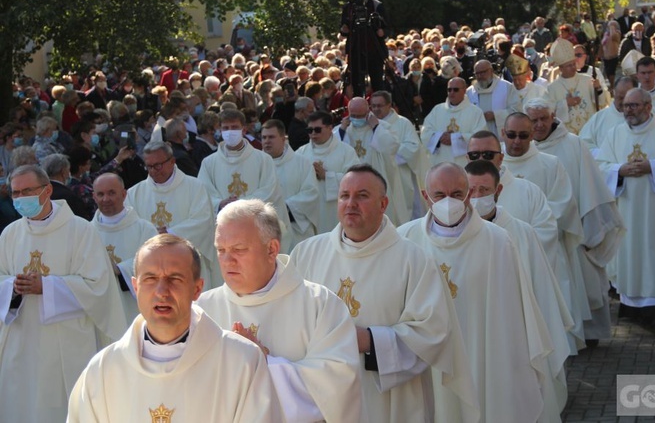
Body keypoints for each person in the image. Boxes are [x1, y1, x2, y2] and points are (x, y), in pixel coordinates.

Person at [290, 165, 478, 423]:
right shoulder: (306, 253)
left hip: (391, 401)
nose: (351, 203)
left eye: (362, 195)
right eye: (345, 195)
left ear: (383, 203)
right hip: (322, 394)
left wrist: (366, 340)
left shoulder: (414, 260)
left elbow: (432, 333)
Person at [398, 162, 561, 422]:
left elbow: (513, 316)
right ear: (425, 195)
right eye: (439, 195)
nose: (448, 202)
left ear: (469, 194)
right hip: (427, 360)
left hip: (484, 355)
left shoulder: (497, 241)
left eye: (457, 194)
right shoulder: (404, 240)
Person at [67, 234, 282, 422]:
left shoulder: (242, 361)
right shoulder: (104, 370)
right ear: (135, 287)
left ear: (197, 289)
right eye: (150, 279)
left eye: (175, 279)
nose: (162, 291)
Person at [197, 199, 362, 421]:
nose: (227, 260)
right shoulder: (202, 311)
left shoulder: (320, 305)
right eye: (221, 250)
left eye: (238, 249)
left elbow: (337, 386)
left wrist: (264, 361)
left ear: (272, 249)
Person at [0, 165, 126, 422]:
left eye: (27, 191)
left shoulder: (80, 230)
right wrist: (12, 286)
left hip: (65, 340)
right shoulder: (10, 234)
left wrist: (47, 287)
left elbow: (98, 285)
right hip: (21, 338)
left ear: (47, 190)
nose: (21, 198)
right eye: (15, 193)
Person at [464, 159, 573, 411]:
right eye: (472, 191)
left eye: (484, 190)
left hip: (516, 334)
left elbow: (541, 290)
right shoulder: (454, 235)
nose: (477, 197)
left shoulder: (521, 233)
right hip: (472, 333)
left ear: (498, 191)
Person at [525, 98, 625, 346]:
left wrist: (589, 228)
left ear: (553, 116)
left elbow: (591, 187)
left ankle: (587, 335)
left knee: (583, 284)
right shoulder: (520, 149)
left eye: (543, 119)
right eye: (533, 120)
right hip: (533, 234)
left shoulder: (573, 145)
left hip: (573, 230)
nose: (538, 125)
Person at [597, 88, 655, 324]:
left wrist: (654, 167)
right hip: (627, 208)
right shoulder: (615, 134)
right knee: (631, 253)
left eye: (634, 105)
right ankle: (633, 308)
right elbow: (600, 165)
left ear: (648, 106)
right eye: (626, 106)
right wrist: (619, 170)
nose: (629, 110)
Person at [502, 112, 588, 350]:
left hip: (545, 245)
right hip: (501, 249)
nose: (516, 141)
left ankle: (558, 345)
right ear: (503, 134)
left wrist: (527, 233)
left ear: (532, 136)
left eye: (523, 136)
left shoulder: (550, 164)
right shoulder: (493, 165)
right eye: (511, 135)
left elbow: (562, 204)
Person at [126, 141, 219, 288]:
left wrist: (169, 233)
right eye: (149, 166)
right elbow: (130, 228)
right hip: (154, 267)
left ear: (172, 161)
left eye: (158, 165)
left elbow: (203, 221)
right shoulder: (134, 194)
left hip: (188, 263)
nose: (154, 171)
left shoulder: (195, 187)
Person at [197, 109, 291, 250]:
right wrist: (220, 203)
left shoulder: (263, 159)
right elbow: (203, 194)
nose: (230, 131)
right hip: (224, 228)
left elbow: (270, 190)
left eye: (234, 127)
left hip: (256, 229)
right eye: (225, 128)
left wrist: (241, 205)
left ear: (244, 129)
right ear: (220, 130)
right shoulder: (209, 163)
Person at [91, 173, 158, 322]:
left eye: (111, 193)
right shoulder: (86, 232)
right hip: (101, 312)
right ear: (93, 197)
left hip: (135, 310)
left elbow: (155, 264)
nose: (105, 199)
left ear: (123, 194)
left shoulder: (144, 229)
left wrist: (120, 269)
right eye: (100, 194)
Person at [336, 97, 410, 225]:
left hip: (378, 176)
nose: (357, 119)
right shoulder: (343, 128)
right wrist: (341, 130)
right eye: (353, 115)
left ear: (368, 111)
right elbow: (334, 149)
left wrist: (376, 127)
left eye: (360, 115)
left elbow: (392, 147)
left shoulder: (382, 126)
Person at [296, 111, 359, 233]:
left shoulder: (346, 151)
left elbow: (355, 180)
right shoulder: (301, 153)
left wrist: (327, 176)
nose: (313, 134)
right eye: (310, 130)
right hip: (310, 209)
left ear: (330, 128)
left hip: (334, 209)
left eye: (317, 130)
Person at [369, 90, 428, 219]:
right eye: (373, 106)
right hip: (378, 171)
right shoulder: (368, 124)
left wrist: (390, 151)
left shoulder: (402, 123)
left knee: (402, 210)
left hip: (400, 174)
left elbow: (413, 148)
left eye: (380, 105)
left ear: (389, 105)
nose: (376, 109)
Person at [261, 119, 320, 249]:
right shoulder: (256, 165)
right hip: (265, 231)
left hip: (296, 230)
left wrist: (284, 208)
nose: (266, 141)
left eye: (271, 137)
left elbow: (311, 192)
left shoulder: (302, 163)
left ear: (283, 138)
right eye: (264, 137)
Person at [340, 0, 387, 96]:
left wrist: (380, 30)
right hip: (356, 51)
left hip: (374, 51)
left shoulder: (376, 5)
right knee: (357, 84)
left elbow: (385, 29)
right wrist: (345, 28)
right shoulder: (348, 6)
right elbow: (344, 29)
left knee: (378, 83)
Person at [421, 76, 487, 167]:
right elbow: (425, 133)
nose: (452, 93)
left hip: (464, 164)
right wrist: (439, 136)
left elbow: (481, 137)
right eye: (449, 90)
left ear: (464, 91)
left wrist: (454, 139)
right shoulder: (437, 109)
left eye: (455, 90)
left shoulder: (475, 112)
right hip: (440, 163)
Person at [547, 38, 597, 135]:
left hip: (589, 132)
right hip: (567, 135)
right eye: (569, 65)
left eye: (574, 64)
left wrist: (598, 89)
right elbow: (550, 113)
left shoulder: (587, 80)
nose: (573, 67)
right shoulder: (553, 88)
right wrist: (565, 103)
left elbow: (600, 102)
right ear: (561, 68)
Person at [580, 75, 636, 158]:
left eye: (628, 98)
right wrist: (603, 154)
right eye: (620, 97)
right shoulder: (599, 118)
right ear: (614, 92)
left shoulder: (643, 117)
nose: (624, 102)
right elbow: (583, 143)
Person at [466, 59, 519, 137]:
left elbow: (516, 110)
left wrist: (495, 115)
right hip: (478, 136)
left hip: (501, 135)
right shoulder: (470, 92)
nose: (480, 76)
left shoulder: (506, 87)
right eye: (477, 73)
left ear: (491, 71)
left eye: (483, 72)